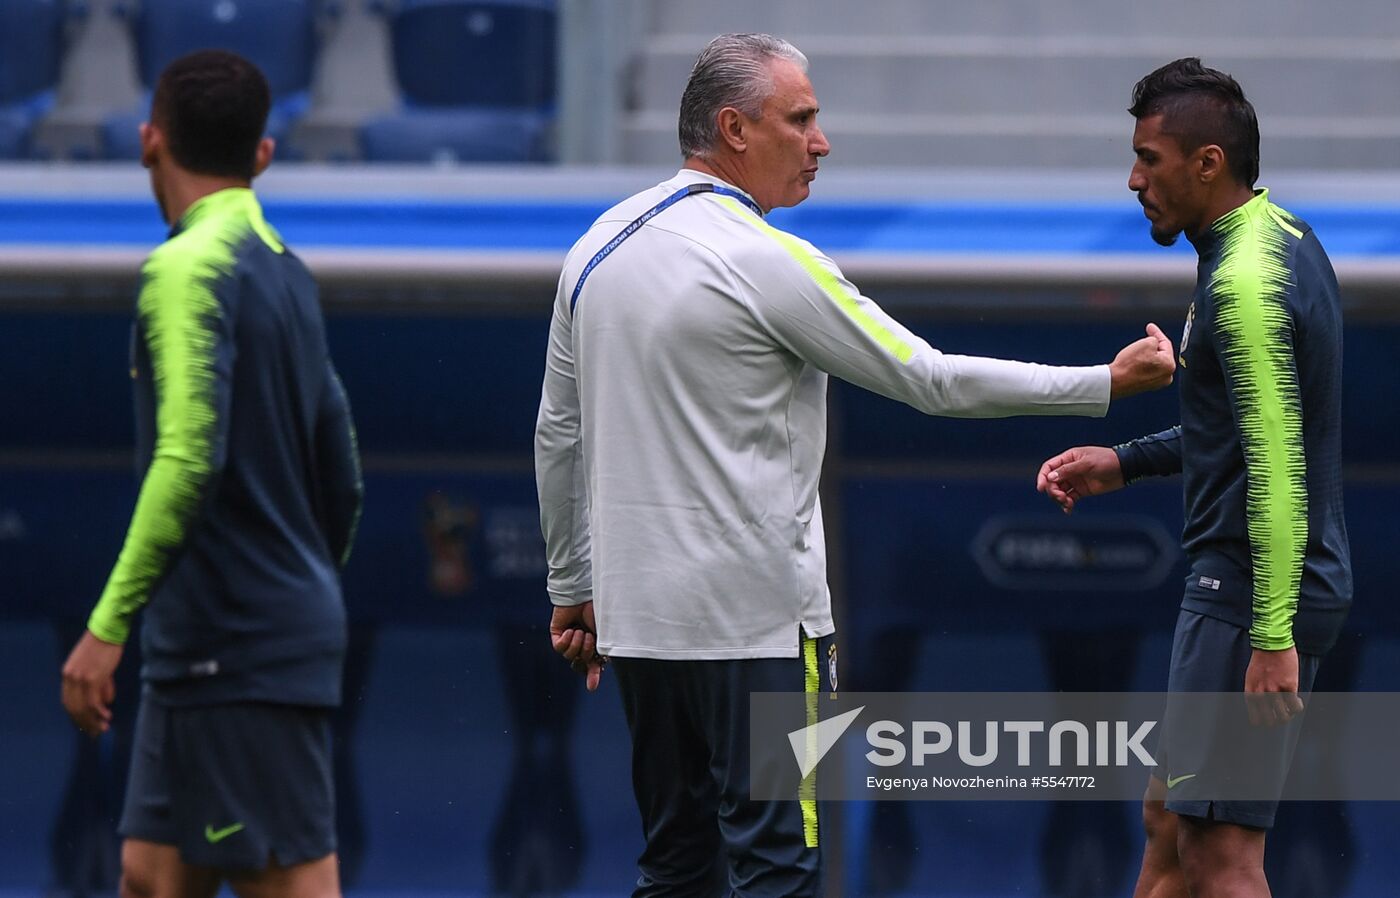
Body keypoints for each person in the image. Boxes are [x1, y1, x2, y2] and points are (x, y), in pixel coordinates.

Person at [535, 32, 1175, 895]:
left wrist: (571, 587)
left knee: (676, 866)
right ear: (733, 128)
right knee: (779, 871)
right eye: (799, 119)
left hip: (641, 629)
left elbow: (557, 435)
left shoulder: (594, 250)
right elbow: (932, 379)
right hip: (758, 632)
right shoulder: (766, 261)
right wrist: (1105, 380)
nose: (820, 141)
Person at [1036, 58, 1351, 898]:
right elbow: (1240, 433)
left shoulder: (1246, 282)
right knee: (1168, 824)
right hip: (1250, 583)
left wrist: (1272, 636)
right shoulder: (1275, 235)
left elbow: (1281, 470)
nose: (1134, 179)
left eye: (1150, 158)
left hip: (1253, 589)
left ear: (1207, 163)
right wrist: (1124, 462)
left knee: (1223, 856)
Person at [59, 49, 363, 898]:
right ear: (261, 156)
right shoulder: (286, 270)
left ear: (151, 140)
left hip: (237, 654)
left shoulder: (184, 267)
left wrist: (107, 626)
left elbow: (189, 457)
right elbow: (342, 470)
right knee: (150, 878)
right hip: (210, 653)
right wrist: (302, 587)